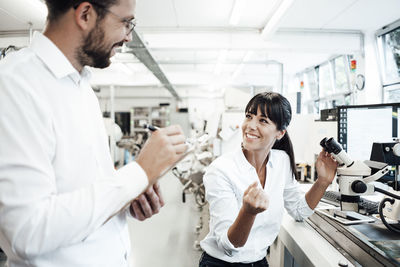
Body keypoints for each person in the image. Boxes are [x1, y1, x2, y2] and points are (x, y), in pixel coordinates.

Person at [0, 0, 187, 266]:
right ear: (86, 14)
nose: (129, 36)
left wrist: (128, 194)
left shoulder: (82, 87)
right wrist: (139, 172)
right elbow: (27, 231)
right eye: (125, 22)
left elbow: (80, 187)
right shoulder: (15, 85)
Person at [199, 92, 337, 267]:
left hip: (259, 262)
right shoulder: (221, 170)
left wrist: (323, 182)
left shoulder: (282, 161)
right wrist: (247, 213)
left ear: (280, 133)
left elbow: (298, 211)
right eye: (249, 116)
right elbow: (229, 246)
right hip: (221, 263)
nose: (250, 126)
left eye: (263, 120)